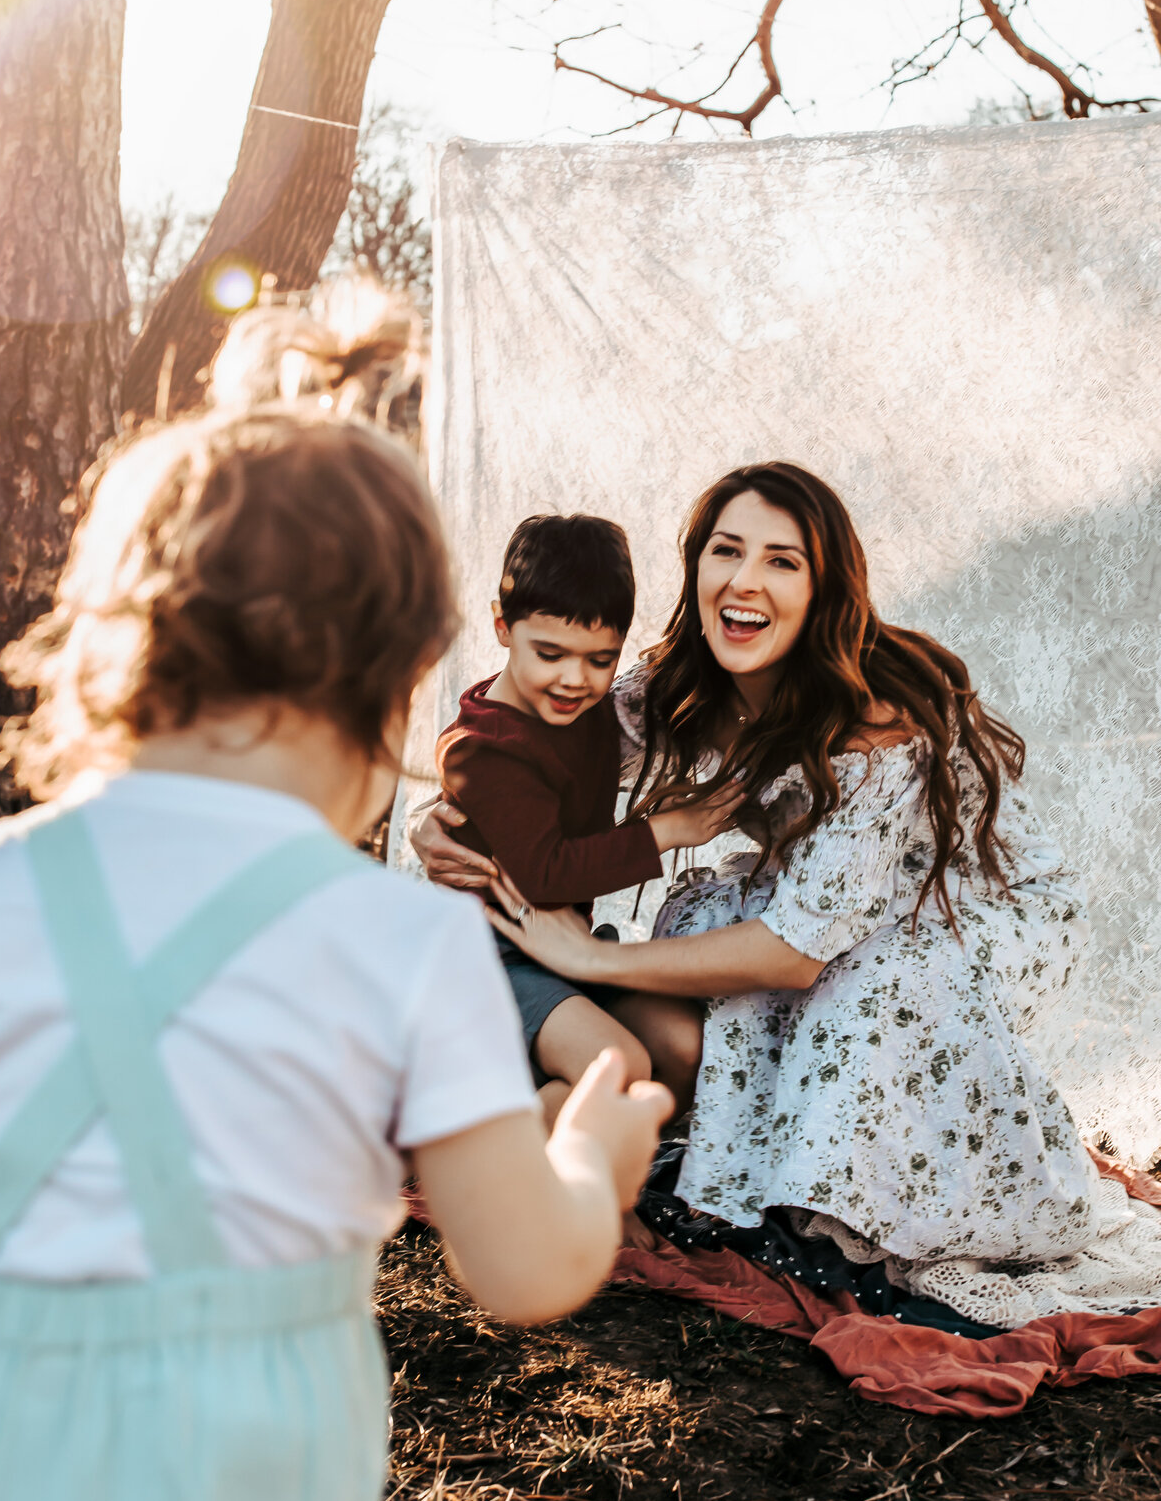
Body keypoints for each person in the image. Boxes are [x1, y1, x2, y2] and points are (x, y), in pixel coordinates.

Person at [0, 404, 671, 1501]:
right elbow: (521, 1267)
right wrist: (590, 1156)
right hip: (235, 1496)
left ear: (120, 633)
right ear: (402, 675)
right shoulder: (400, 944)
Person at [415, 461, 1161, 1331]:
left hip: (965, 910)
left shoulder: (878, 720)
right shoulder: (679, 681)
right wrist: (449, 812)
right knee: (698, 955)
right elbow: (535, 737)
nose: (746, 580)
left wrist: (585, 954)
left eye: (783, 561)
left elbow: (796, 953)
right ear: (694, 568)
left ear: (824, 587)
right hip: (819, 899)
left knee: (862, 982)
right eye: (726, 550)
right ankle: (621, 1133)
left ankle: (864, 1185)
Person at [436, 512, 738, 1124]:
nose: (574, 679)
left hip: (565, 951)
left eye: (600, 659)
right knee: (617, 1062)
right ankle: (525, 1172)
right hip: (489, 963)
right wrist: (666, 830)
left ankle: (558, 1139)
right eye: (549, 653)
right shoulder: (483, 747)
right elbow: (544, 873)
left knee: (681, 1045)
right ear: (502, 626)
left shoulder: (596, 709)